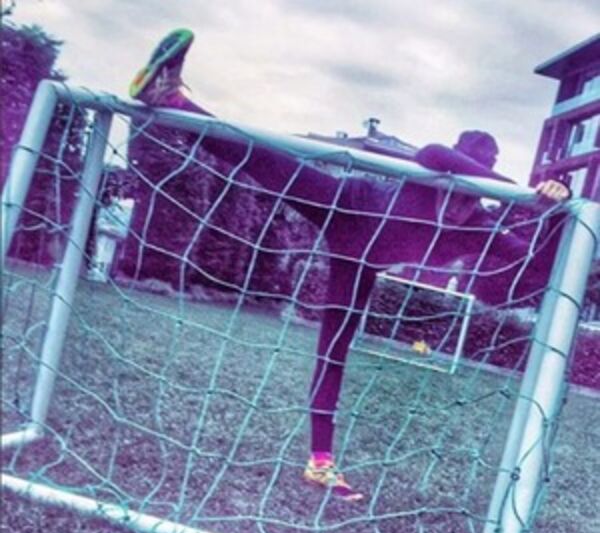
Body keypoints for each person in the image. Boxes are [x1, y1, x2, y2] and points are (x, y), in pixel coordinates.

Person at [129, 29, 571, 502]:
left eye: (471, 198)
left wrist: (555, 210)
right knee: (265, 158)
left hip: (359, 261)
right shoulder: (428, 172)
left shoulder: (477, 227)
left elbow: (534, 264)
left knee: (334, 351)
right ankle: (170, 97)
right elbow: (434, 153)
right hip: (343, 204)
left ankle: (319, 464)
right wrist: (519, 191)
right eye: (457, 188)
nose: (459, 205)